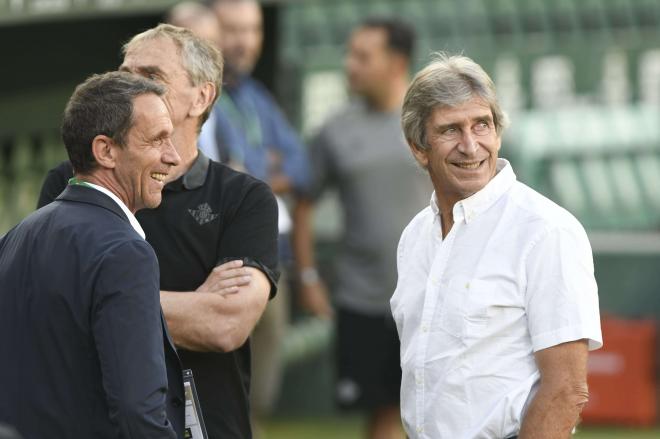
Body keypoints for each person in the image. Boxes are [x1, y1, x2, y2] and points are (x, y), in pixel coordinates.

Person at [37, 24, 279, 439]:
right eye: (125, 72)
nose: (130, 85)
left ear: (202, 97)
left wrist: (102, 300)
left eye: (150, 76)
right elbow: (50, 305)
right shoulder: (71, 181)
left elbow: (225, 326)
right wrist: (188, 305)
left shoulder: (244, 198)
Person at [391, 53, 603, 438]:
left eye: (482, 125)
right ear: (419, 148)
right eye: (451, 130)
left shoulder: (546, 231)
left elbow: (567, 390)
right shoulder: (414, 237)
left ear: (499, 133)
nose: (471, 146)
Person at [0, 71, 182, 438]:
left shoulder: (16, 236)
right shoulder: (127, 254)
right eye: (158, 139)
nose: (173, 157)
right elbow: (138, 412)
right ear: (106, 151)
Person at [293, 18, 429, 439]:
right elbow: (303, 203)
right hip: (363, 297)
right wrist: (309, 276)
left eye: (362, 56)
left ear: (396, 62)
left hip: (432, 294)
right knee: (382, 414)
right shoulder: (334, 131)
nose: (349, 65)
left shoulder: (437, 121)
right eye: (349, 54)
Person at [197, 0, 315, 424]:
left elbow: (301, 166)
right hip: (218, 259)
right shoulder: (204, 99)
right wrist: (263, 170)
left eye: (253, 30)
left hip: (272, 258)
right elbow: (223, 174)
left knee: (261, 397)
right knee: (222, 400)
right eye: (233, 29)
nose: (244, 41)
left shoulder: (254, 94)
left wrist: (254, 171)